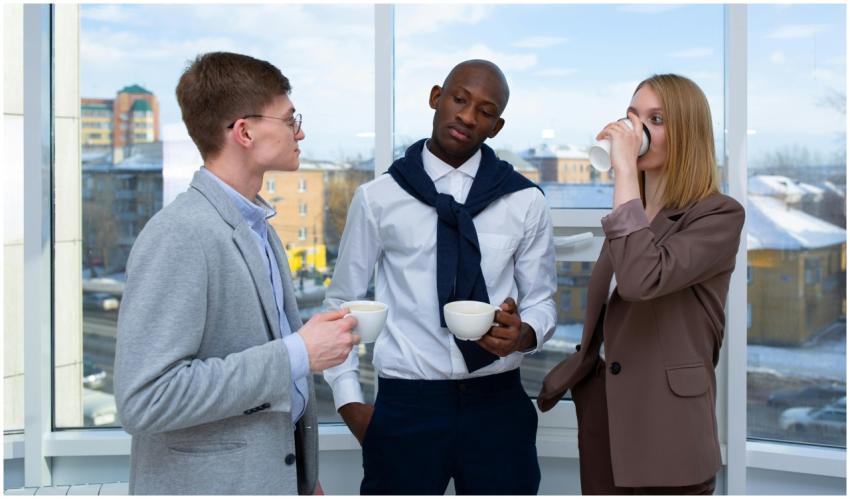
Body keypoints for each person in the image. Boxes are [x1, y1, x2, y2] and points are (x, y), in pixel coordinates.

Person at [114, 52, 359, 495]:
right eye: (289, 120)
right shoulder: (180, 233)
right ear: (244, 131)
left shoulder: (258, 227)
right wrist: (298, 353)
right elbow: (145, 400)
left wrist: (300, 480)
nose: (299, 132)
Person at [323, 59, 557, 494]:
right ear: (436, 97)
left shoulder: (525, 201)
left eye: (485, 111)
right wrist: (349, 400)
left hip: (498, 405)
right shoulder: (378, 197)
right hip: (407, 404)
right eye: (459, 99)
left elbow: (542, 300)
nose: (468, 116)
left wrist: (524, 333)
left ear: (497, 126)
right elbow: (342, 304)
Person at [538, 74, 745, 495]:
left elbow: (639, 280)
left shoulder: (719, 216)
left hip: (669, 438)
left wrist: (625, 174)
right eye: (633, 117)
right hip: (607, 426)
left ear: (688, 132)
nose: (638, 129)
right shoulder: (631, 215)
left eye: (656, 118)